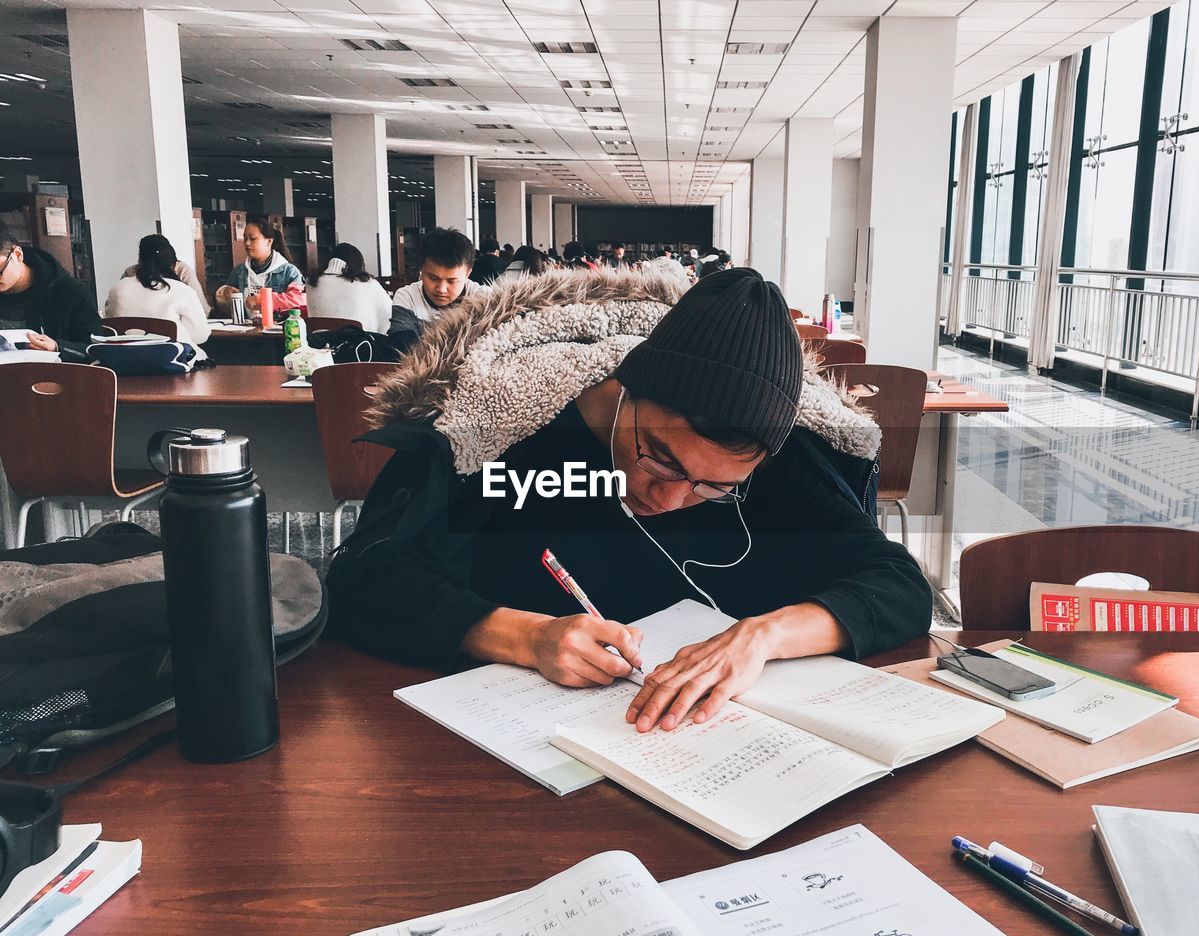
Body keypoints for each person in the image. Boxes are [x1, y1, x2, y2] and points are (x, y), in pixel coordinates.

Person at [328, 268, 931, 734]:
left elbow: (896, 584)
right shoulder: (500, 436)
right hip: (514, 762)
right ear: (627, 388)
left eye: (716, 488)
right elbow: (365, 581)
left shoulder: (782, 459)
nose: (670, 498)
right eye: (660, 459)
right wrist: (523, 636)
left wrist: (763, 638)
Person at [0, 227, 100, 361]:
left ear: (18, 255)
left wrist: (58, 347)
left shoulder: (69, 291)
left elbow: (97, 350)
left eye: (0, 271)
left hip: (56, 376)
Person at [387, 227, 487, 354]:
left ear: (468, 274)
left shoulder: (484, 299)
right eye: (433, 278)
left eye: (451, 281)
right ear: (421, 269)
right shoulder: (407, 296)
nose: (441, 289)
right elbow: (402, 348)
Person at [104, 234, 210, 346]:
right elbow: (200, 336)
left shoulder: (118, 288)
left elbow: (109, 324)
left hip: (125, 357)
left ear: (140, 260)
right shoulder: (182, 290)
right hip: (171, 358)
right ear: (173, 263)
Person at [213, 217, 305, 319]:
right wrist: (224, 294)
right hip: (246, 330)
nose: (247, 243)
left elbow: (299, 300)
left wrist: (261, 300)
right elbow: (223, 304)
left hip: (277, 332)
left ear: (269, 242)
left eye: (252, 239)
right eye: (245, 239)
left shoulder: (289, 272)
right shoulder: (239, 271)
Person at [304, 242, 393, 334]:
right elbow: (390, 315)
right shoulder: (368, 284)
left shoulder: (311, 281)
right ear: (358, 263)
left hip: (319, 344)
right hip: (360, 344)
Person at [120, 256, 210, 316]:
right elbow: (203, 311)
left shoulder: (125, 282)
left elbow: (111, 315)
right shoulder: (182, 284)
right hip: (175, 340)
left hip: (130, 339)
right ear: (174, 264)